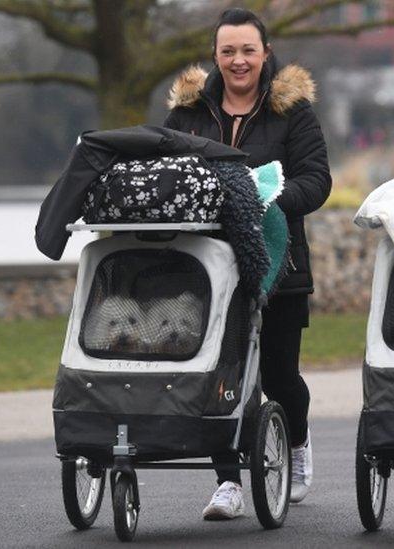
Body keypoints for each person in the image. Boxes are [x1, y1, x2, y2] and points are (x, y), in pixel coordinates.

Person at [164, 8, 332, 520]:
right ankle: (227, 481)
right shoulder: (189, 111)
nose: (239, 61)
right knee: (221, 372)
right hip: (209, 270)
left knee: (280, 375)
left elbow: (317, 178)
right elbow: (168, 171)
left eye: (248, 51)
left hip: (279, 265)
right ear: (215, 56)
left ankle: (296, 445)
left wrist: (270, 200)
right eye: (228, 51)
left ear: (265, 53)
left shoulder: (293, 112)